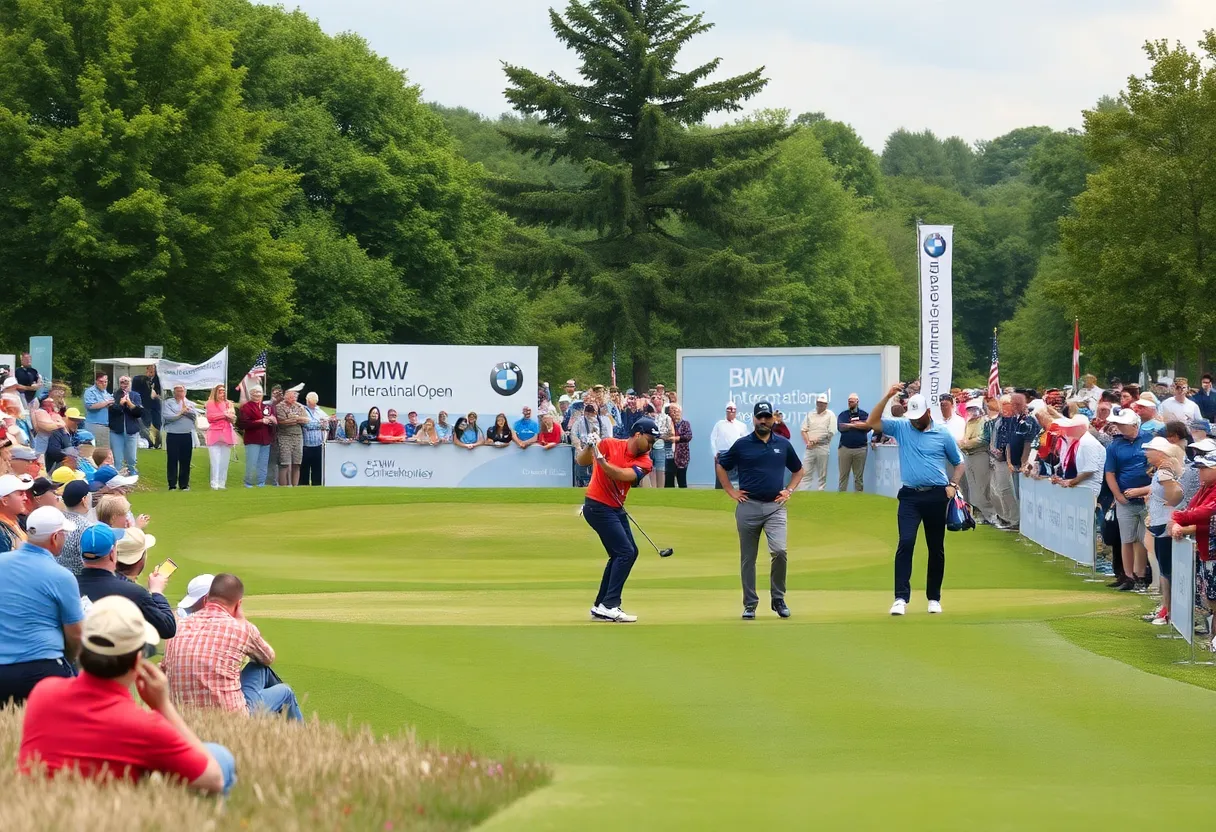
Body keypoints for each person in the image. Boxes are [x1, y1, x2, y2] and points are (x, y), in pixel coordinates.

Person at [18, 595, 234, 795]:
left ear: (82, 651)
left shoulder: (43, 693)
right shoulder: (145, 726)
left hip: (42, 811)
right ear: (137, 660)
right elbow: (213, 778)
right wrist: (164, 706)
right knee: (221, 757)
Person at [861, 386, 964, 616]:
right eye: (912, 418)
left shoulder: (943, 433)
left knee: (935, 547)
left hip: (937, 494)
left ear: (928, 412)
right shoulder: (902, 426)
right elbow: (871, 421)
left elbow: (959, 462)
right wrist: (887, 396)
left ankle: (934, 598)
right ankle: (900, 598)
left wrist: (953, 485)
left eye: (919, 418)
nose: (915, 422)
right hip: (910, 495)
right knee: (906, 542)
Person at [162, 573, 302, 721]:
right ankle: (297, 739)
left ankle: (266, 725)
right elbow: (268, 657)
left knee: (260, 668)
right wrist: (242, 620)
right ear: (238, 604)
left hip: (183, 716)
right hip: (231, 717)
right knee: (285, 691)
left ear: (206, 599)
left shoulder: (178, 627)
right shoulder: (241, 628)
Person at [716, 402, 805, 620]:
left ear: (773, 419)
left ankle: (778, 598)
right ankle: (750, 604)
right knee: (748, 558)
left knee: (780, 551)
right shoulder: (742, 444)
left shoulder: (783, 444)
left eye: (767, 417)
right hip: (748, 506)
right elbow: (721, 463)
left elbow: (798, 470)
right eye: (759, 417)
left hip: (775, 506)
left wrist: (789, 490)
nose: (763, 421)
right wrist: (730, 490)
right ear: (754, 419)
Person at [575, 419, 659, 622]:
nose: (651, 446)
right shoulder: (609, 444)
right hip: (597, 506)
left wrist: (602, 460)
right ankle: (610, 604)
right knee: (625, 552)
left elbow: (622, 475)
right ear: (637, 434)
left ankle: (601, 605)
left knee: (626, 552)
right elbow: (582, 461)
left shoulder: (646, 461)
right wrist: (590, 445)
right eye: (649, 440)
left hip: (615, 508)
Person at [0, 505, 83, 704]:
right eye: (63, 534)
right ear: (55, 537)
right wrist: (68, 660)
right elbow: (76, 634)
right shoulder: (62, 576)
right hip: (42, 669)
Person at [1123, 438, 1184, 625]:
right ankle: (1166, 609)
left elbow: (1176, 495)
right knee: (1165, 570)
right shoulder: (1161, 470)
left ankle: (1169, 612)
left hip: (1166, 526)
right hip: (1160, 524)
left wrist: (1171, 510)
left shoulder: (1166, 471)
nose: (1145, 453)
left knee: (1167, 571)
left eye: (1149, 450)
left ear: (1159, 453)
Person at [76, 525, 175, 640]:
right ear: (113, 554)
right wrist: (156, 592)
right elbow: (168, 629)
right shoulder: (134, 593)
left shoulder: (64, 586)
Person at [1104, 407, 1152, 591]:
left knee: (1142, 539)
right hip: (1125, 498)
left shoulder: (1150, 439)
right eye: (1118, 424)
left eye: (1123, 425)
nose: (1119, 428)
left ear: (1134, 425)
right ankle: (1128, 576)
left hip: (1147, 498)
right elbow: (1110, 473)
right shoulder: (1115, 445)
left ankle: (1140, 576)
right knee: (1127, 539)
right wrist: (1117, 496)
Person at [238, 385, 276, 487]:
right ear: (251, 394)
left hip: (266, 439)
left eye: (259, 392)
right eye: (255, 392)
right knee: (251, 463)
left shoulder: (267, 407)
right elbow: (243, 424)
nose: (258, 394)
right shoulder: (246, 407)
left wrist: (272, 421)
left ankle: (261, 483)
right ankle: (248, 483)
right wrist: (260, 421)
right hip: (252, 439)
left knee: (263, 464)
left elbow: (273, 421)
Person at [162, 384, 198, 491]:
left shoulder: (190, 404)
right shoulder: (168, 403)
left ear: (185, 392)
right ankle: (172, 484)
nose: (179, 393)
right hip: (173, 434)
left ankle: (184, 484)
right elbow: (168, 417)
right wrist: (181, 413)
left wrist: (181, 413)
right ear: (174, 392)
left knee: (185, 460)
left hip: (186, 434)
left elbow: (193, 416)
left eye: (181, 391)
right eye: (177, 391)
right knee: (172, 460)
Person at [56, 480, 95, 577]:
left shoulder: (56, 519)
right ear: (84, 500)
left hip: (57, 578)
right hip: (79, 582)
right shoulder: (86, 528)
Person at [107, 376, 143, 476]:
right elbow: (112, 411)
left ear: (130, 383)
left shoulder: (135, 395)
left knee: (131, 458)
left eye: (126, 381)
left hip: (131, 431)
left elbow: (138, 413)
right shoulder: (114, 395)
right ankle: (118, 478)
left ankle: (132, 475)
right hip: (116, 431)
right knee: (117, 458)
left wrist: (129, 402)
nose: (124, 384)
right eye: (122, 382)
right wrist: (121, 403)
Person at [799, 394, 836, 491]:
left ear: (826, 405)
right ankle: (803, 492)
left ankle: (821, 492)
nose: (820, 405)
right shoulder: (810, 414)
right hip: (810, 447)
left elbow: (831, 432)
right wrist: (808, 442)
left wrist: (817, 440)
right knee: (806, 472)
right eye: (819, 403)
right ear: (816, 403)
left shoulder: (830, 415)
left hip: (822, 447)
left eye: (823, 403)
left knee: (822, 473)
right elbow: (803, 430)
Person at [204, 384, 237, 491]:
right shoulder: (210, 403)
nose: (222, 393)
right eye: (220, 391)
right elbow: (210, 418)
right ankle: (214, 483)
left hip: (226, 433)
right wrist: (224, 415)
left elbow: (233, 418)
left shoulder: (228, 404)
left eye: (223, 391)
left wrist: (230, 415)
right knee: (215, 461)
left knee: (224, 461)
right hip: (214, 433)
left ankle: (222, 483)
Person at [836, 393, 870, 493]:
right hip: (845, 448)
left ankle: (858, 498)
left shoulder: (864, 414)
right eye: (849, 401)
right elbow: (841, 427)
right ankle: (841, 498)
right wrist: (857, 425)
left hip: (860, 449)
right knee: (843, 476)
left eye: (852, 401)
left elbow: (868, 426)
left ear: (857, 402)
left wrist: (851, 425)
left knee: (858, 477)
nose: (850, 403)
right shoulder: (843, 414)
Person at [711, 403, 749, 490]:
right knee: (721, 478)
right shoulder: (719, 424)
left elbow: (746, 440)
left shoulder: (741, 425)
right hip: (722, 453)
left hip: (736, 454)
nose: (731, 412)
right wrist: (715, 452)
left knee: (737, 477)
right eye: (729, 410)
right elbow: (713, 438)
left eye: (733, 410)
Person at [274, 388, 308, 486]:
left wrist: (295, 419)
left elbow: (306, 420)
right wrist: (296, 420)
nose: (293, 398)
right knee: (284, 463)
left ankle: (295, 486)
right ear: (285, 396)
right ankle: (283, 487)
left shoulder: (300, 406)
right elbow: (281, 421)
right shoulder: (279, 406)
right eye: (291, 396)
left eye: (294, 397)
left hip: (298, 436)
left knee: (297, 463)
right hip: (284, 436)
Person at [131, 364, 163, 450]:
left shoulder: (159, 380)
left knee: (157, 423)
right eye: (149, 371)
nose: (150, 373)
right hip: (145, 405)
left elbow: (158, 393)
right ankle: (149, 442)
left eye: (153, 371)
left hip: (155, 405)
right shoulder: (139, 379)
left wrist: (156, 395)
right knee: (146, 424)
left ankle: (157, 442)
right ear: (147, 370)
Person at [663, 403, 693, 488]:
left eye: (675, 411)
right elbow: (661, 435)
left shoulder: (685, 424)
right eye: (671, 411)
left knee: (682, 481)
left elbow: (688, 436)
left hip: (682, 456)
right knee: (669, 480)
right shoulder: (667, 424)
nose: (674, 413)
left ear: (680, 412)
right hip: (669, 455)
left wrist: (677, 438)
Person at [301, 393, 327, 486]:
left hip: (318, 445)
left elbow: (327, 424)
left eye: (314, 402)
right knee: (304, 470)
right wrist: (320, 424)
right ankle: (303, 487)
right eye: (311, 402)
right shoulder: (303, 410)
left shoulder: (320, 411)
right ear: (307, 401)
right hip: (305, 445)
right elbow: (307, 425)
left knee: (317, 470)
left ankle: (317, 486)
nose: (313, 404)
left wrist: (323, 423)